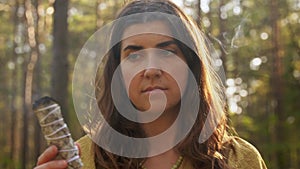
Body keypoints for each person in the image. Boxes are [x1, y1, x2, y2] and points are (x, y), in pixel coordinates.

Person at [35, 0, 267, 169]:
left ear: (191, 65)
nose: (151, 70)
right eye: (134, 56)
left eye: (167, 52)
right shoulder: (84, 157)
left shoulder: (239, 159)